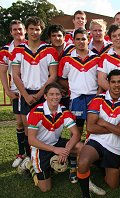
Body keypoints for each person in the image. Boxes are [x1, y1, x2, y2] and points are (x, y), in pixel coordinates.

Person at [77, 69, 120, 198]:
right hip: (96, 141)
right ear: (108, 82)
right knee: (83, 162)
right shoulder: (98, 99)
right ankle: (86, 194)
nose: (116, 85)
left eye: (119, 82)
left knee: (113, 185)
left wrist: (105, 123)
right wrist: (115, 128)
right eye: (113, 82)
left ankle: (100, 164)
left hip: (114, 147)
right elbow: (91, 127)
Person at [11, 16, 58, 159]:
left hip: (44, 93)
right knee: (28, 129)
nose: (34, 32)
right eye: (31, 29)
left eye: (37, 29)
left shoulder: (50, 50)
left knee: (47, 127)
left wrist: (38, 95)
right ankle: (31, 159)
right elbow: (15, 75)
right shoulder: (18, 50)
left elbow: (53, 76)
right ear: (27, 30)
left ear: (41, 30)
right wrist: (25, 95)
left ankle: (47, 158)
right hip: (26, 94)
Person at [27, 82, 83, 192]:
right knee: (45, 188)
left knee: (80, 146)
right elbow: (31, 140)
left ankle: (78, 174)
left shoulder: (63, 110)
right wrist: (55, 150)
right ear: (45, 96)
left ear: (61, 96)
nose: (55, 97)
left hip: (56, 143)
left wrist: (66, 151)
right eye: (51, 94)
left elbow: (76, 134)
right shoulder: (36, 112)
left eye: (57, 94)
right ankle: (30, 166)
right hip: (40, 148)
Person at [58, 28, 100, 134]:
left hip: (93, 97)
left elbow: (101, 80)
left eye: (83, 39)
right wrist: (71, 90)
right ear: (73, 40)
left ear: (88, 40)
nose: (81, 42)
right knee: (77, 130)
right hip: (76, 98)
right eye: (78, 39)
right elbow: (62, 78)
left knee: (94, 129)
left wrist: (97, 96)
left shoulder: (97, 59)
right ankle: (76, 149)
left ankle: (91, 149)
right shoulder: (66, 59)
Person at [0, 20, 27, 167]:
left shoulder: (32, 45)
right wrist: (8, 91)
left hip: (31, 90)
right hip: (17, 91)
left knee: (34, 122)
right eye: (15, 29)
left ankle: (33, 153)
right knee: (19, 122)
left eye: (20, 29)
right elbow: (3, 72)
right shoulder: (5, 50)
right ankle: (21, 152)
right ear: (11, 32)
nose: (18, 32)